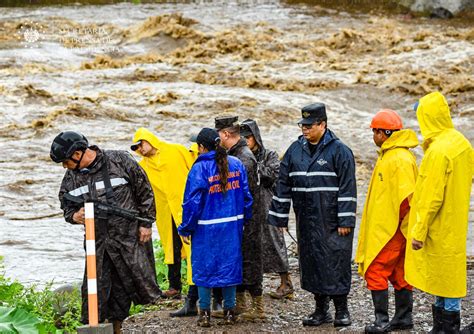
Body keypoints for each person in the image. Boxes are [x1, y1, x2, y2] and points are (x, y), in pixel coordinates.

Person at [50, 131, 162, 333]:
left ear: (77, 154)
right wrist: (75, 216)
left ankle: (143, 323)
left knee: (139, 286)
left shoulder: (118, 160)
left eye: (65, 161)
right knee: (96, 292)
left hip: (129, 237)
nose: (64, 167)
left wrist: (146, 223)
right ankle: (106, 328)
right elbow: (66, 206)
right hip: (98, 244)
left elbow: (144, 190)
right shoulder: (71, 178)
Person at [268, 103, 357, 327]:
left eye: (309, 125)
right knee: (312, 263)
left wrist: (345, 220)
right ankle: (320, 310)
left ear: (322, 124)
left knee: (335, 263)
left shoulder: (340, 151)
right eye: (302, 125)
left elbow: (348, 188)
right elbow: (282, 185)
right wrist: (280, 218)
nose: (305, 129)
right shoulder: (294, 151)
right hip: (306, 220)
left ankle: (341, 310)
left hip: (333, 221)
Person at [405, 92, 473, 333]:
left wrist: (419, 231)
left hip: (436, 224)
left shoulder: (437, 151)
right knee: (449, 275)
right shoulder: (461, 143)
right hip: (455, 223)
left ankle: (445, 328)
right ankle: (447, 326)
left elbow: (431, 198)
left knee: (438, 276)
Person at [178, 128, 253, 327]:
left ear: (201, 147)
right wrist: (244, 221)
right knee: (230, 267)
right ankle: (229, 311)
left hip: (206, 228)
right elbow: (247, 198)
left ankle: (204, 314)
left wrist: (185, 228)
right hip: (231, 225)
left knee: (203, 269)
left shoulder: (199, 168)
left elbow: (192, 203)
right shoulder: (236, 164)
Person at [355, 109, 418, 333]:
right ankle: (403, 318)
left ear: (384, 133)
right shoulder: (393, 154)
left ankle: (381, 322)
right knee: (399, 272)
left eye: (375, 131)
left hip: (392, 228)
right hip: (397, 227)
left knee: (375, 269)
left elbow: (407, 198)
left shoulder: (397, 158)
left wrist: (400, 229)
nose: (373, 135)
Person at [130, 128, 198, 316]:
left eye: (141, 144)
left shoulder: (175, 150)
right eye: (136, 148)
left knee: (192, 245)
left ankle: (195, 286)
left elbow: (196, 159)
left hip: (186, 206)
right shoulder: (143, 166)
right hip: (164, 211)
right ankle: (174, 286)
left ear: (149, 139)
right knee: (171, 246)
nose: (140, 149)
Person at [215, 115, 265, 321]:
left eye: (219, 135)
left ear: (226, 134)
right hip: (241, 217)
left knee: (250, 259)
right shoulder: (237, 154)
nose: (218, 140)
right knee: (240, 259)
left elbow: (246, 194)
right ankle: (240, 304)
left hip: (248, 218)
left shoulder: (243, 159)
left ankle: (258, 309)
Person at [240, 119, 293, 299]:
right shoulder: (238, 156)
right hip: (248, 205)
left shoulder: (269, 155)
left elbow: (272, 176)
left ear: (256, 138)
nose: (246, 140)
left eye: (248, 137)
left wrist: (253, 164)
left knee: (274, 241)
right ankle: (251, 284)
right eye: (243, 137)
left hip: (266, 204)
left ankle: (286, 282)